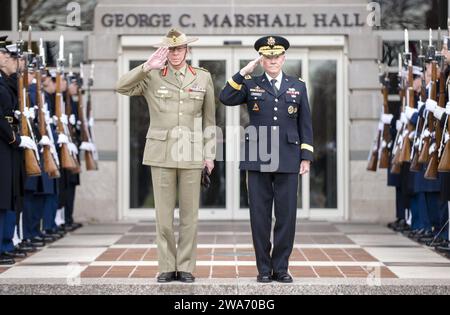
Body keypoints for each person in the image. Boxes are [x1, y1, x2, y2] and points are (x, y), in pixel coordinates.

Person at [116, 29, 216, 283]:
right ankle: (166, 266)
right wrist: (147, 66)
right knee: (163, 217)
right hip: (161, 154)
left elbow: (209, 120)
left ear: (187, 50)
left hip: (191, 152)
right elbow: (121, 86)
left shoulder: (202, 78)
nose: (175, 53)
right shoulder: (152, 76)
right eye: (170, 49)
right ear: (165, 51)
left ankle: (185, 267)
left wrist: (210, 154)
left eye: (179, 49)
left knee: (189, 217)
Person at [219, 36, 313, 283]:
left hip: (289, 157)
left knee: (286, 215)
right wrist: (243, 71)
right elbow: (225, 97)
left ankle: (280, 268)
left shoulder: (298, 85)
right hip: (258, 156)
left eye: (276, 56)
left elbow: (306, 123)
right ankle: (263, 268)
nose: (272, 60)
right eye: (267, 57)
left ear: (283, 58)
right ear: (262, 59)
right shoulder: (250, 84)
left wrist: (306, 156)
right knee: (259, 216)